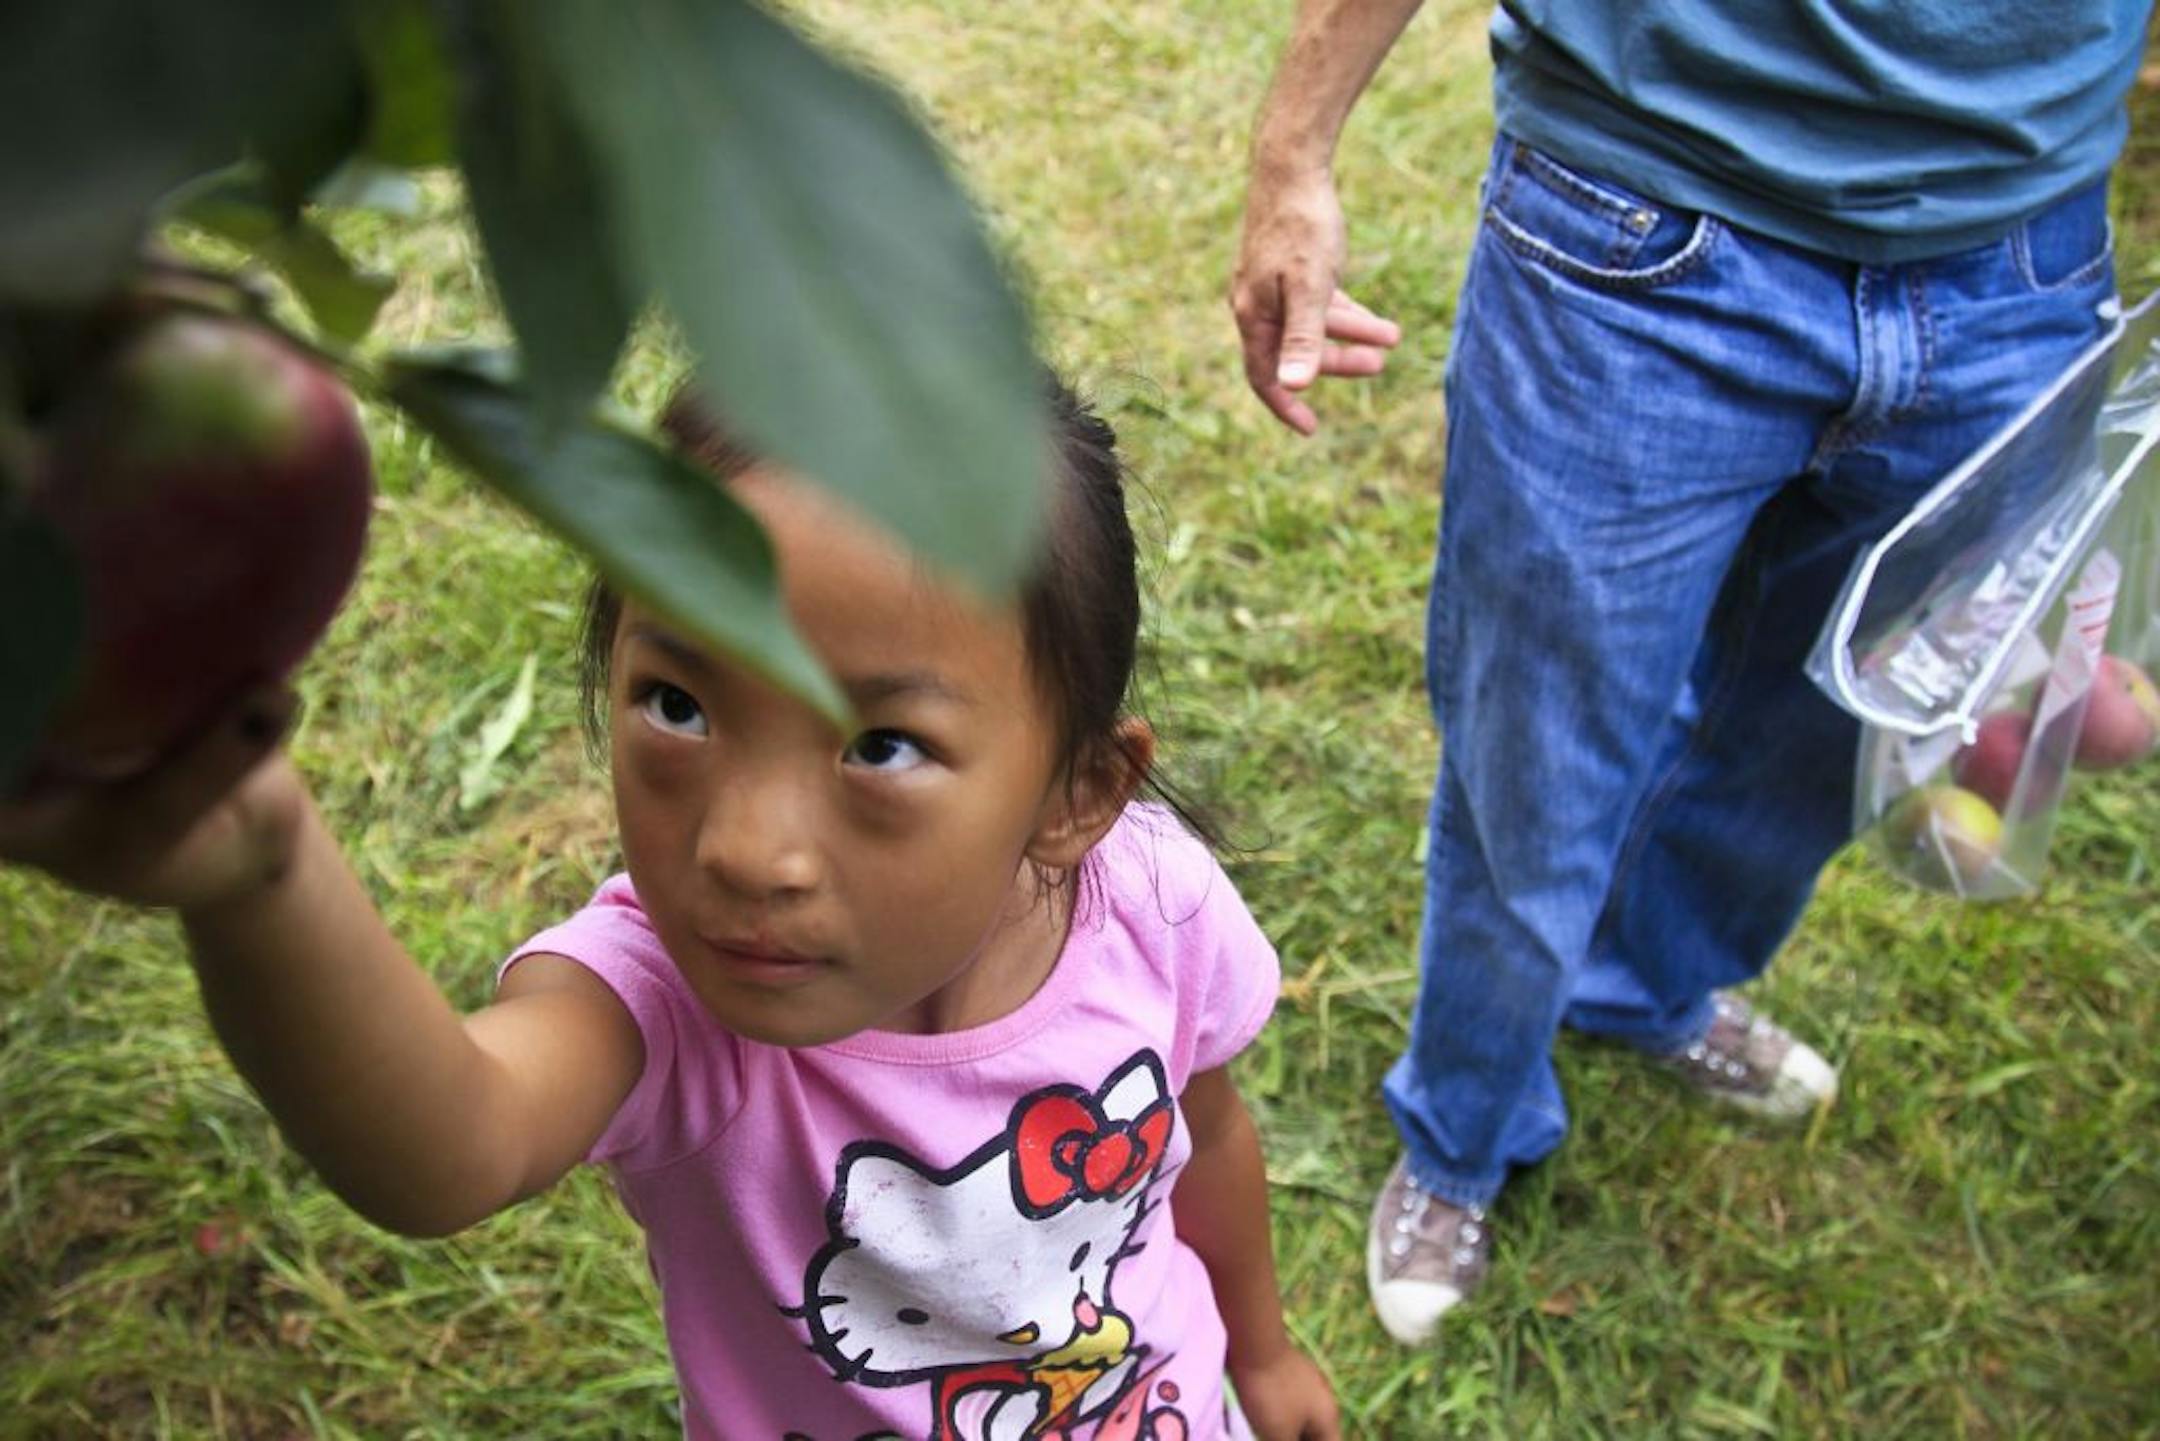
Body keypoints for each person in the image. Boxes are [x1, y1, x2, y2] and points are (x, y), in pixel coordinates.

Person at [0, 375, 1340, 1440]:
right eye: (679, 705)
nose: (747, 849)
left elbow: (1203, 1129)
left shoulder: (1146, 896)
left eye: (879, 745)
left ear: (1078, 792)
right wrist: (262, 865)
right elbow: (450, 1142)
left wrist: (1263, 1348)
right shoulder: (670, 1004)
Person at [1229, 0, 2151, 1345]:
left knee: (1820, 735)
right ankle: (1462, 1133)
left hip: (2019, 263)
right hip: (1641, 227)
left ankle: (1645, 986)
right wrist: (1292, 155)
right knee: (1535, 756)